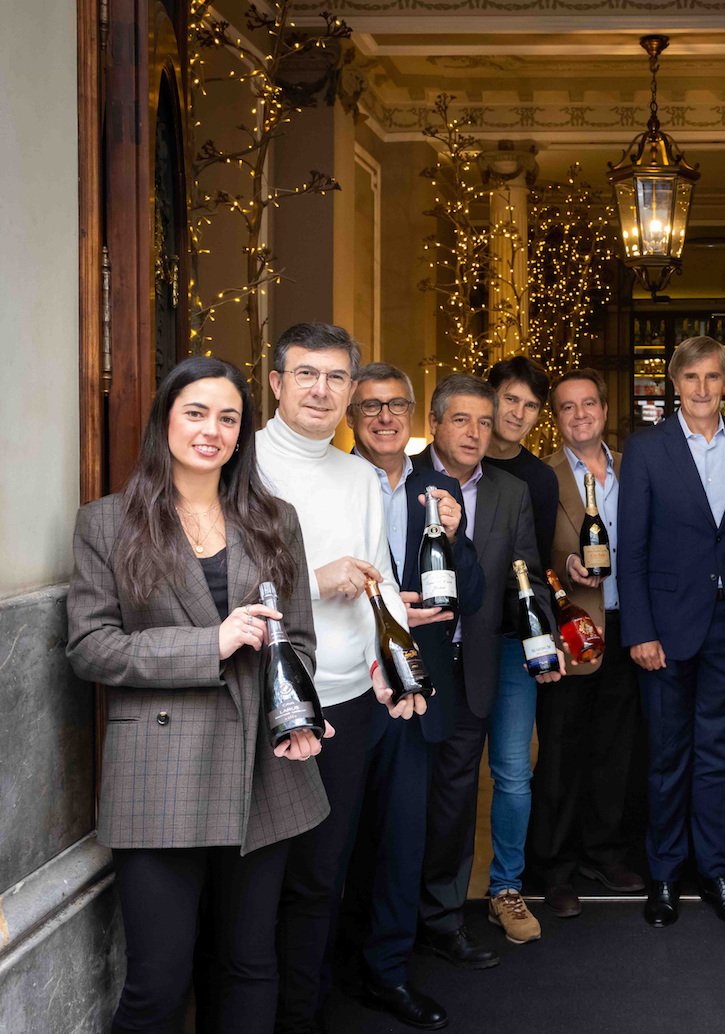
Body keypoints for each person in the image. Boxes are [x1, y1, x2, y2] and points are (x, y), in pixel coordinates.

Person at [66, 356, 329, 1034]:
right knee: (158, 983)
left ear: (242, 434)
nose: (212, 430)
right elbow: (90, 647)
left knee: (250, 964)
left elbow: (295, 638)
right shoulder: (107, 522)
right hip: (159, 771)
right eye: (196, 412)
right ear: (166, 420)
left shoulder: (275, 519)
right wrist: (210, 643)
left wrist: (296, 715)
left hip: (263, 770)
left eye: (228, 418)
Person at [253, 324, 427, 1034]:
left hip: (352, 703)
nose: (321, 390)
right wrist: (309, 582)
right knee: (261, 880)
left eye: (334, 378)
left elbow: (379, 583)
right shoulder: (243, 460)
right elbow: (212, 579)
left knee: (324, 874)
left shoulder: (360, 478)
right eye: (306, 375)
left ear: (350, 391)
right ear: (276, 382)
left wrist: (397, 669)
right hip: (263, 701)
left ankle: (304, 1015)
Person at [337, 362, 486, 1029]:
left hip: (415, 692)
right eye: (370, 407)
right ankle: (322, 969)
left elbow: (475, 596)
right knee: (335, 842)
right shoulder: (334, 484)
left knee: (403, 839)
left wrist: (456, 537)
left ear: (415, 417)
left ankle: (387, 973)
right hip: (342, 687)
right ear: (351, 418)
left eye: (396, 405)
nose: (384, 417)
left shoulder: (439, 488)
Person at [618, 335, 725, 929]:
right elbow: (631, 546)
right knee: (666, 755)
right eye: (691, 379)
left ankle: (715, 870)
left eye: (713, 378)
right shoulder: (647, 450)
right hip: (664, 626)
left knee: (718, 753)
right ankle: (663, 873)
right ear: (675, 385)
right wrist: (638, 629)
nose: (702, 389)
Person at [417, 373, 560, 957]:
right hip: (415, 659)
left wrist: (540, 641)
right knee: (424, 788)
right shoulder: (402, 481)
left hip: (487, 649)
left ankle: (489, 896)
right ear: (436, 424)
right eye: (462, 420)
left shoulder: (510, 490)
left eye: (483, 421)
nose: (476, 432)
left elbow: (526, 576)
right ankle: (409, 905)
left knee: (495, 776)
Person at [530, 368, 645, 918]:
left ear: (604, 408)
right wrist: (563, 566)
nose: (580, 415)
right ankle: (554, 867)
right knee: (560, 751)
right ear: (556, 418)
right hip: (571, 627)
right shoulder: (543, 476)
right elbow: (525, 554)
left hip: (629, 626)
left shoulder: (633, 468)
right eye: (567, 407)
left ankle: (604, 851)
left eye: (589, 404)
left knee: (616, 748)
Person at [474, 355, 561, 941]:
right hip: (450, 642)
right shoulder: (442, 465)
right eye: (510, 400)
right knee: (446, 774)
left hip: (509, 643)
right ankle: (436, 885)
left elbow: (535, 570)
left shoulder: (537, 478)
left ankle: (507, 885)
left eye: (531, 406)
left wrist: (541, 638)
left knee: (512, 771)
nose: (519, 414)